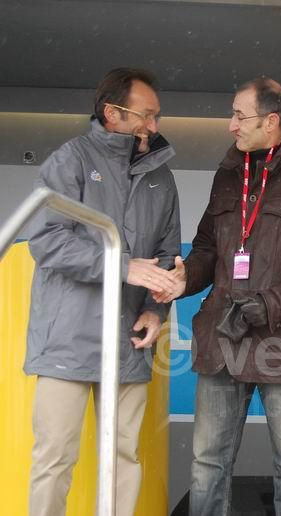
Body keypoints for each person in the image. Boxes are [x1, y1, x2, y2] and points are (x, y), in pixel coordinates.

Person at [154, 77, 281, 516]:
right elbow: (207, 247)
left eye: (239, 115)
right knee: (207, 466)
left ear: (272, 120)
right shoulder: (229, 173)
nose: (231, 126)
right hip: (222, 338)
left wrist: (268, 305)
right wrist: (186, 278)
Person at [24, 67, 181, 516]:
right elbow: (46, 239)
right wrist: (121, 265)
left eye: (156, 116)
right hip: (67, 338)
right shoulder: (70, 160)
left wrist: (156, 311)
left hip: (128, 339)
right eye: (145, 116)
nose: (153, 126)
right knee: (54, 459)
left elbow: (167, 255)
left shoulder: (160, 176)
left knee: (124, 457)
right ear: (112, 113)